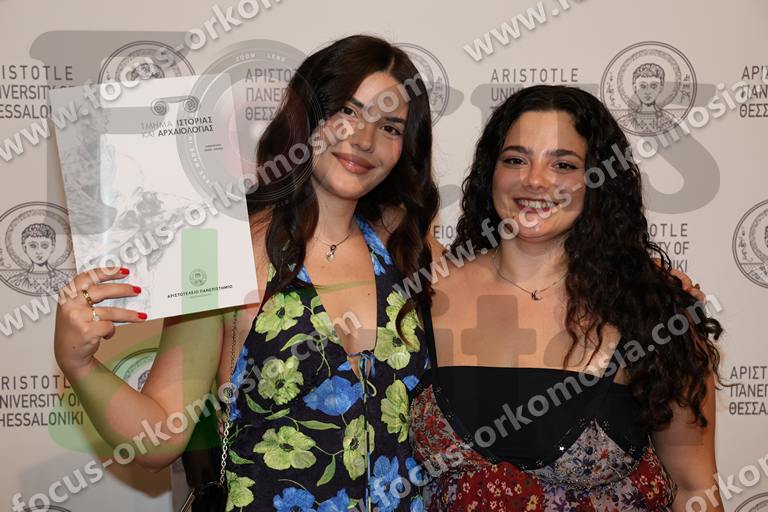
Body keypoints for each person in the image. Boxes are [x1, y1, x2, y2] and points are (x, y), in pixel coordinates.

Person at [54, 35, 438, 511]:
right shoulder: (221, 247)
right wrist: (79, 364)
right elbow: (159, 438)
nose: (364, 139)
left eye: (391, 127)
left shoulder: (406, 249)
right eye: (347, 111)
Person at [409, 85, 722, 511]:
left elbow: (694, 487)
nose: (535, 180)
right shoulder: (423, 293)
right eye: (515, 159)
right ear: (490, 171)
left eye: (563, 164)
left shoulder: (654, 311)